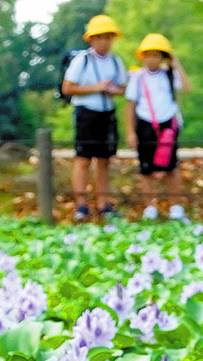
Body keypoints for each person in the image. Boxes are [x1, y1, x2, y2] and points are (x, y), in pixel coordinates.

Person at [62, 15, 128, 222]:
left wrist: (114, 90)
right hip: (86, 113)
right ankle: (81, 205)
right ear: (91, 39)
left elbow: (123, 88)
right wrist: (96, 88)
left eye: (107, 37)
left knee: (104, 160)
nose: (104, 42)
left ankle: (103, 204)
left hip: (106, 113)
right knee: (83, 159)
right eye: (99, 37)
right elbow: (67, 88)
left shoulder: (116, 61)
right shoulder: (82, 60)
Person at [125, 34, 191, 221]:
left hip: (168, 124)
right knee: (146, 168)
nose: (152, 59)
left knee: (171, 167)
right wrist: (130, 131)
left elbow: (186, 88)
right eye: (148, 55)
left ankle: (175, 207)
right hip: (145, 123)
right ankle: (150, 208)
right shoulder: (138, 77)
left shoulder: (169, 75)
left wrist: (175, 64)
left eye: (156, 55)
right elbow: (130, 105)